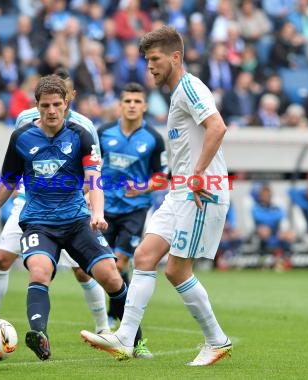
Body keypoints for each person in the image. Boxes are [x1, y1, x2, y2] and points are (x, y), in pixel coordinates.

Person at [81, 25, 233, 366]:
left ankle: (216, 340)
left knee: (176, 271)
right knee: (145, 256)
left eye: (155, 59)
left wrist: (196, 175)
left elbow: (218, 127)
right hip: (178, 192)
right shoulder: (176, 93)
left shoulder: (191, 87)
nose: (149, 66)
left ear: (175, 57)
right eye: (147, 60)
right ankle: (124, 336)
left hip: (200, 193)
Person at [0, 75, 129, 361]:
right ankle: (40, 335)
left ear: (66, 104)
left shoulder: (82, 134)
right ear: (36, 105)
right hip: (38, 221)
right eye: (45, 105)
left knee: (109, 276)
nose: (51, 110)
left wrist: (97, 212)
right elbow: (6, 183)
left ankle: (131, 337)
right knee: (38, 271)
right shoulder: (22, 135)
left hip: (76, 220)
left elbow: (94, 179)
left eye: (56, 104)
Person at [97, 82, 166, 338]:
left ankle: (122, 323)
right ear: (120, 105)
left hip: (134, 210)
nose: (132, 106)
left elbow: (162, 177)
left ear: (145, 106)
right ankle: (116, 311)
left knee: (121, 260)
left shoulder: (153, 139)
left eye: (137, 102)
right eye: (128, 101)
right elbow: (90, 167)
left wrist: (141, 188)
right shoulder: (103, 133)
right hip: (104, 208)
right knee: (106, 266)